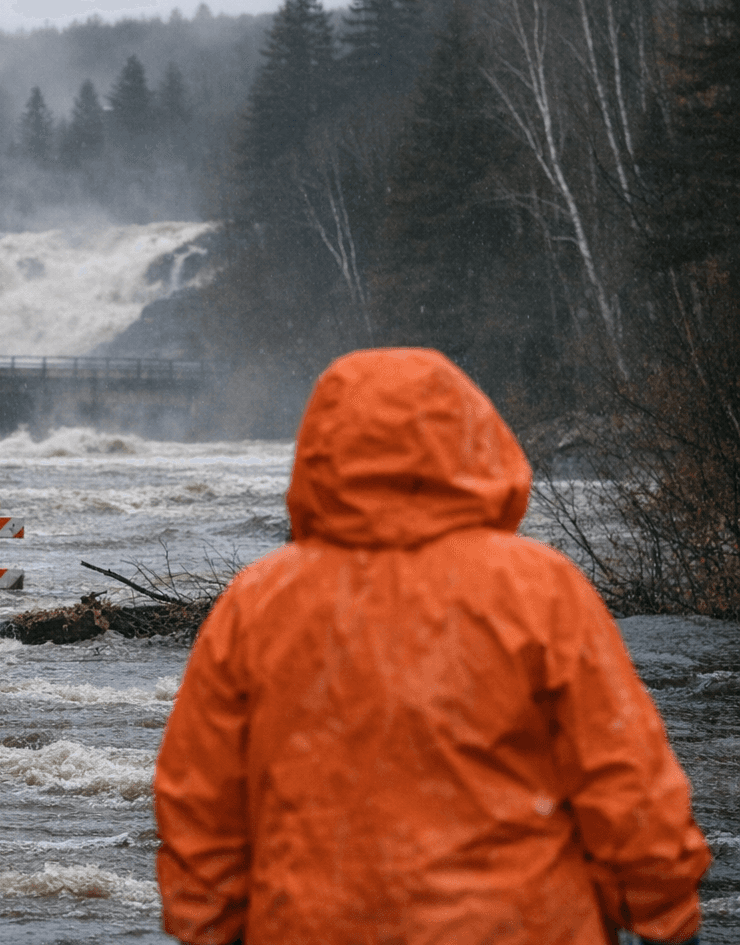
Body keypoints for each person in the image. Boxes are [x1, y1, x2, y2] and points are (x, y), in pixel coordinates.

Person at [154, 347, 710, 945]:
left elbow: (199, 801)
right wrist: (665, 915)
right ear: (474, 436)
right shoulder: (538, 588)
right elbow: (624, 778)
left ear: (320, 452)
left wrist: (209, 927)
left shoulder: (258, 601)